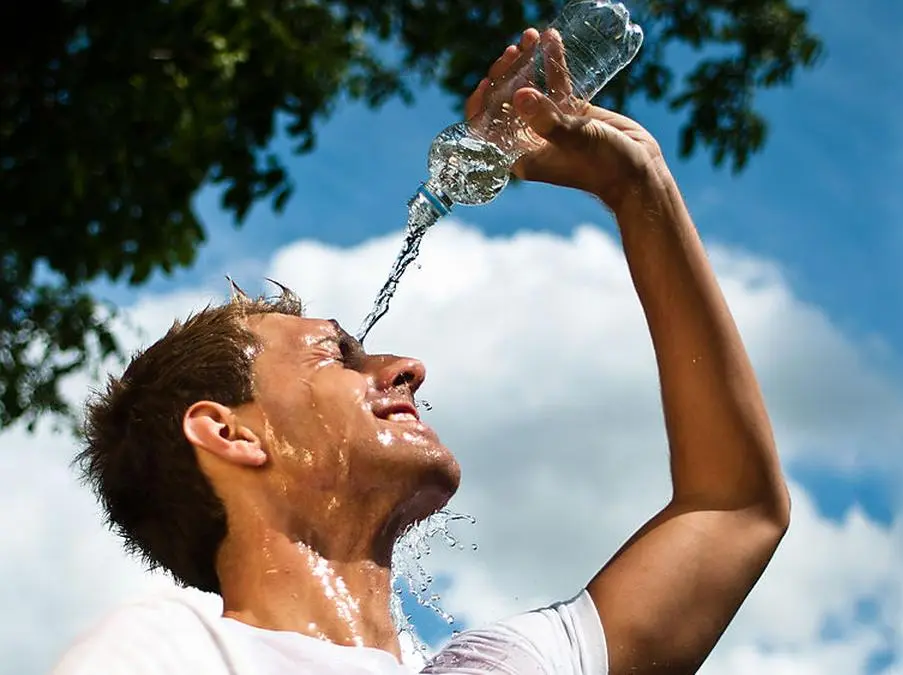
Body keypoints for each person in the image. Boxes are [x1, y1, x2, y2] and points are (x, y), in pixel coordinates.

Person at [53, 27, 790, 675]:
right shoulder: (179, 650)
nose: (407, 366)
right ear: (229, 432)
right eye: (335, 356)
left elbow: (734, 507)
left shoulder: (506, 666)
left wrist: (641, 188)